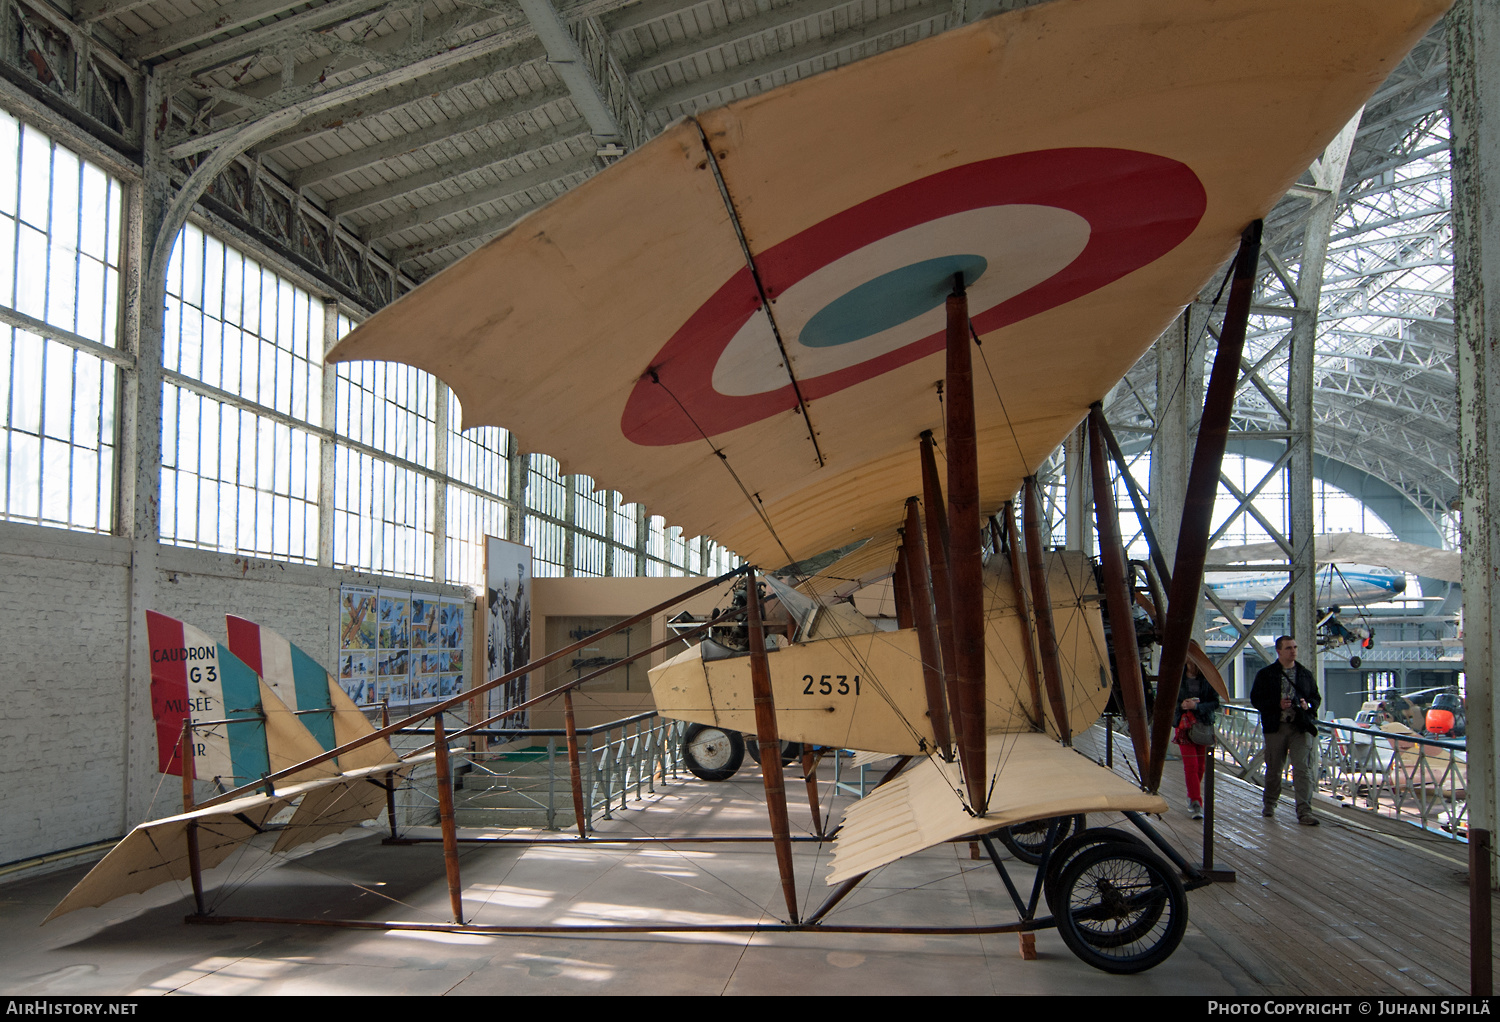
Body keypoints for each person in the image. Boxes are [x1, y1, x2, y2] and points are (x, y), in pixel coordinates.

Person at [1251, 636, 1322, 825]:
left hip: (1300, 726)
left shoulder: (1304, 674)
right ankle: (1270, 803)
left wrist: (1308, 705)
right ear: (1279, 651)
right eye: (1289, 648)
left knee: (1302, 769)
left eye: (1295, 647)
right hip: (1276, 726)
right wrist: (1277, 705)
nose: (1294, 651)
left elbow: (1316, 697)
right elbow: (1256, 700)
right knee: (1274, 767)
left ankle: (1305, 811)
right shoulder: (1266, 674)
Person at [1173, 660, 1219, 820]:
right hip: (1184, 725)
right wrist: (1182, 705)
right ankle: (1196, 801)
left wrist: (1197, 706)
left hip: (1202, 725)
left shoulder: (1208, 677)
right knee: (1191, 765)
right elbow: (1169, 699)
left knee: (1201, 766)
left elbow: (1216, 702)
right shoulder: (1177, 676)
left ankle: (1192, 795)